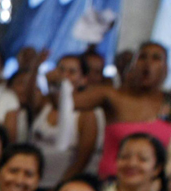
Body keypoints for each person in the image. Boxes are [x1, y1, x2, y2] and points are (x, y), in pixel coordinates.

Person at [73, 41, 171, 181]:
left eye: (156, 58)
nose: (147, 63)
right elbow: (66, 103)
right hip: (110, 184)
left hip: (154, 189)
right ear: (132, 66)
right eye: (142, 57)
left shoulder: (169, 103)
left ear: (166, 69)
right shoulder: (111, 95)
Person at [30, 55, 101, 191]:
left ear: (83, 80)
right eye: (61, 70)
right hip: (33, 182)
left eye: (72, 72)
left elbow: (82, 159)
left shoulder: (87, 114)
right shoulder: (45, 103)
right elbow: (28, 99)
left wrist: (60, 187)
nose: (64, 76)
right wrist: (35, 70)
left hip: (62, 184)